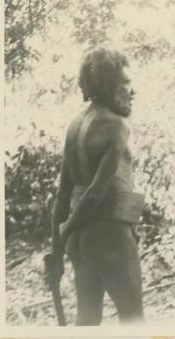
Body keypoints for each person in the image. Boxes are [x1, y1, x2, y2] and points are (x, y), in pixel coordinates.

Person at [50, 48, 145, 325]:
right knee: (134, 321)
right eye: (127, 83)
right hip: (109, 233)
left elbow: (62, 196)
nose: (133, 91)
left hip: (80, 241)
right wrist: (68, 227)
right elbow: (96, 192)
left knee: (87, 320)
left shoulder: (74, 126)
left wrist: (59, 245)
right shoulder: (117, 126)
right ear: (109, 85)